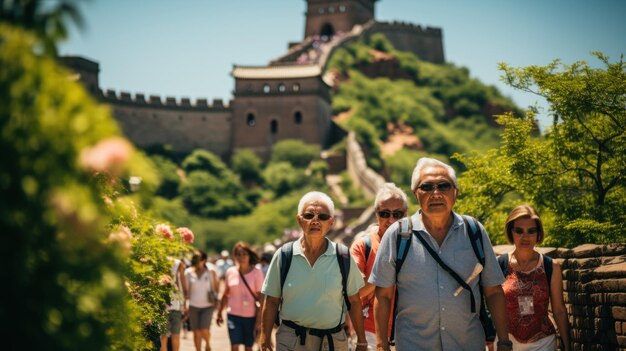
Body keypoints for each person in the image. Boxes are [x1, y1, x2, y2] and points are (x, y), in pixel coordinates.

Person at [369, 157, 512, 351]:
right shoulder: (398, 236)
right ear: (415, 193)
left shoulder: (473, 232)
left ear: (455, 192)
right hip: (414, 345)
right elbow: (383, 295)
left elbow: (493, 291)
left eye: (443, 186)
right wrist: (381, 345)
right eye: (427, 187)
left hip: (467, 344)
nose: (435, 193)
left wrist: (503, 340)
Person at [260, 191, 368, 351]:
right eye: (309, 215)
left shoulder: (343, 256)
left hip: (331, 342)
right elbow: (271, 302)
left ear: (331, 222)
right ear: (299, 220)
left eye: (322, 217)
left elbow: (354, 302)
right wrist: (264, 339)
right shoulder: (284, 255)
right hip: (291, 341)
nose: (315, 221)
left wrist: (362, 341)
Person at [500, 205, 571, 350]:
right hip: (508, 343)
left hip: (543, 343)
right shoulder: (500, 264)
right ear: (511, 232)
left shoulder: (551, 266)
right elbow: (491, 307)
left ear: (539, 234)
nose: (525, 237)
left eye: (531, 231)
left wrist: (568, 346)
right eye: (519, 231)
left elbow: (559, 310)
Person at [350, 183, 408, 350]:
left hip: (409, 332)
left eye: (397, 214)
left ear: (406, 214)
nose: (391, 220)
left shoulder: (416, 244)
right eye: (384, 214)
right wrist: (385, 267)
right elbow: (356, 292)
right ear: (376, 215)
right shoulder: (362, 246)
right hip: (370, 332)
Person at [216, 241, 265, 351]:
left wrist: (260, 319)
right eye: (238, 254)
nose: (241, 257)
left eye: (244, 254)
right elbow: (225, 294)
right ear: (234, 256)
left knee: (248, 347)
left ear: (249, 255)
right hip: (233, 315)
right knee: (234, 345)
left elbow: (261, 298)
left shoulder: (257, 272)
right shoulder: (230, 272)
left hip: (251, 316)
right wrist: (219, 313)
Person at [185, 251, 219, 351]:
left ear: (204, 260)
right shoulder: (188, 273)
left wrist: (217, 300)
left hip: (208, 306)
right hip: (193, 306)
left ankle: (208, 344)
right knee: (196, 332)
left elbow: (216, 288)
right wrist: (185, 304)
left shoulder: (210, 272)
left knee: (204, 329)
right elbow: (186, 290)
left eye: (198, 259)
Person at [160, 257, 188, 351]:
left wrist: (183, 304)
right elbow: (182, 285)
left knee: (168, 336)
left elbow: (181, 285)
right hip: (167, 306)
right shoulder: (177, 263)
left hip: (173, 306)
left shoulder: (177, 263)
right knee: (167, 337)